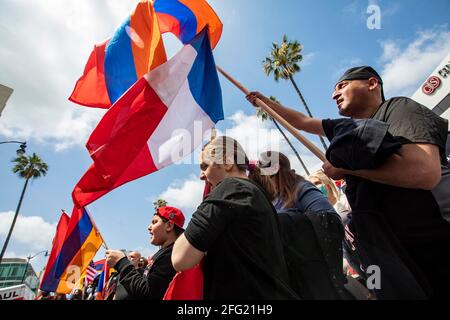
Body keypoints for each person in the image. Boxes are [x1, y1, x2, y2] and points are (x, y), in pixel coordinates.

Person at [247, 66, 450, 299]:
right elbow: (303, 122)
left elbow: (423, 171)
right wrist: (267, 104)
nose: (334, 95)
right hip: (398, 255)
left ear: (372, 84)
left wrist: (346, 168)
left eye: (342, 86)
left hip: (435, 240)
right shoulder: (347, 129)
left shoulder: (399, 109)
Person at [172, 136, 298, 300]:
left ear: (226, 161)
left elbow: (180, 258)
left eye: (205, 166)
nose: (201, 176)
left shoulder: (231, 188)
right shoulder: (256, 194)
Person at [105, 206, 185, 300]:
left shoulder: (172, 254)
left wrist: (121, 263)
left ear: (169, 226)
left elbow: (147, 293)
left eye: (154, 222)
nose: (149, 227)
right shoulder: (165, 253)